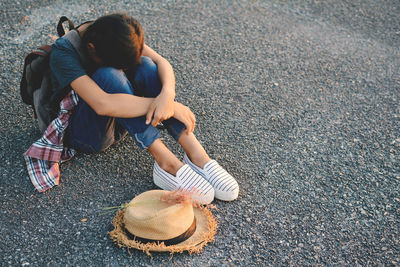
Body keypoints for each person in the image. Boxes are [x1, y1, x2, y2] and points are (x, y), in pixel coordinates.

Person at [41, 13, 238, 204]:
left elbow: (161, 61)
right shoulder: (63, 53)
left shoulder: (114, 32)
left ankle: (198, 156)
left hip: (123, 120)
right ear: (91, 49)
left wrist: (167, 96)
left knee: (145, 64)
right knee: (108, 76)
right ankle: (166, 163)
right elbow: (102, 104)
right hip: (85, 134)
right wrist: (169, 106)